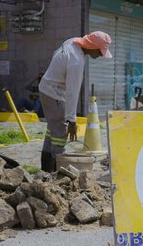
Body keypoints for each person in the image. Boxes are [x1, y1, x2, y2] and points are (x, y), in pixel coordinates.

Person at [38, 31, 112, 172]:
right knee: (60, 134)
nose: (101, 55)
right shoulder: (76, 62)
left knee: (53, 129)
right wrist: (71, 121)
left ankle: (45, 169)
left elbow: (56, 54)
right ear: (92, 46)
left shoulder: (73, 42)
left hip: (48, 88)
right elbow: (73, 92)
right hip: (53, 93)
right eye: (100, 51)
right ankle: (57, 171)